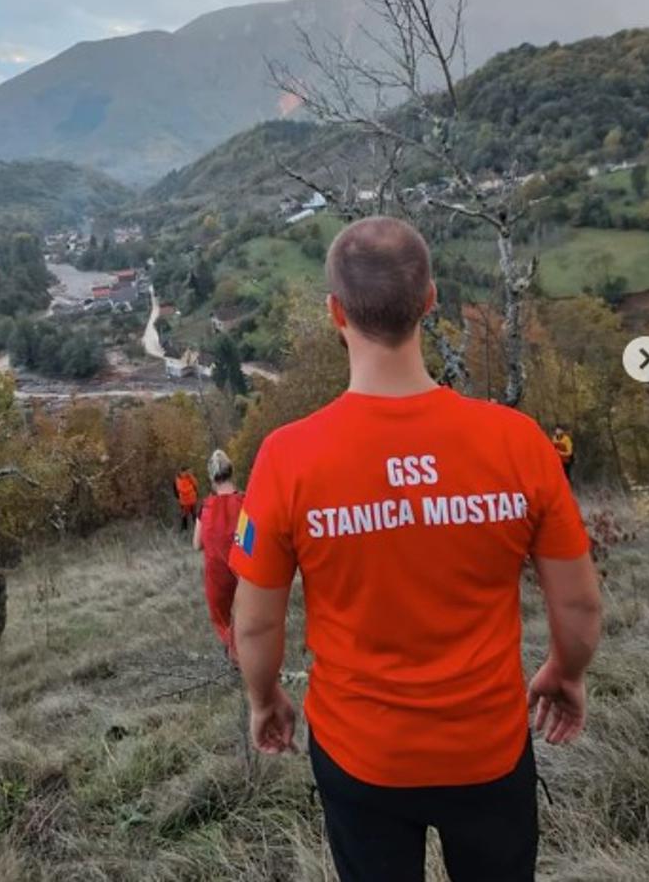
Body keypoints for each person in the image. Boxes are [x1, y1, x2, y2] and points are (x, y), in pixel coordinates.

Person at [229, 216, 602, 882]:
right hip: (487, 751)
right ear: (431, 301)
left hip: (359, 755)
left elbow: (255, 620)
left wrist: (264, 699)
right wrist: (565, 673)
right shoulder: (516, 442)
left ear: (333, 312)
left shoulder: (287, 458)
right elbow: (576, 603)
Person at [192, 449, 243, 658]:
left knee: (223, 618)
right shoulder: (247, 501)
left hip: (217, 575)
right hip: (244, 572)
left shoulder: (205, 507)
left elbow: (197, 544)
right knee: (247, 613)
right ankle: (249, 655)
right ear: (231, 472)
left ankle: (233, 655)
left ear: (212, 478)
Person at [174, 467, 199, 531]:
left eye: (189, 472)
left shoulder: (190, 477)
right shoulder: (178, 479)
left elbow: (196, 485)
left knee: (194, 515)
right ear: (182, 472)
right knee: (184, 516)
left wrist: (191, 477)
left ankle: (197, 530)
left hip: (192, 500)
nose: (188, 473)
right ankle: (184, 531)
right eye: (187, 472)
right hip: (184, 502)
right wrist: (191, 487)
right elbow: (181, 490)